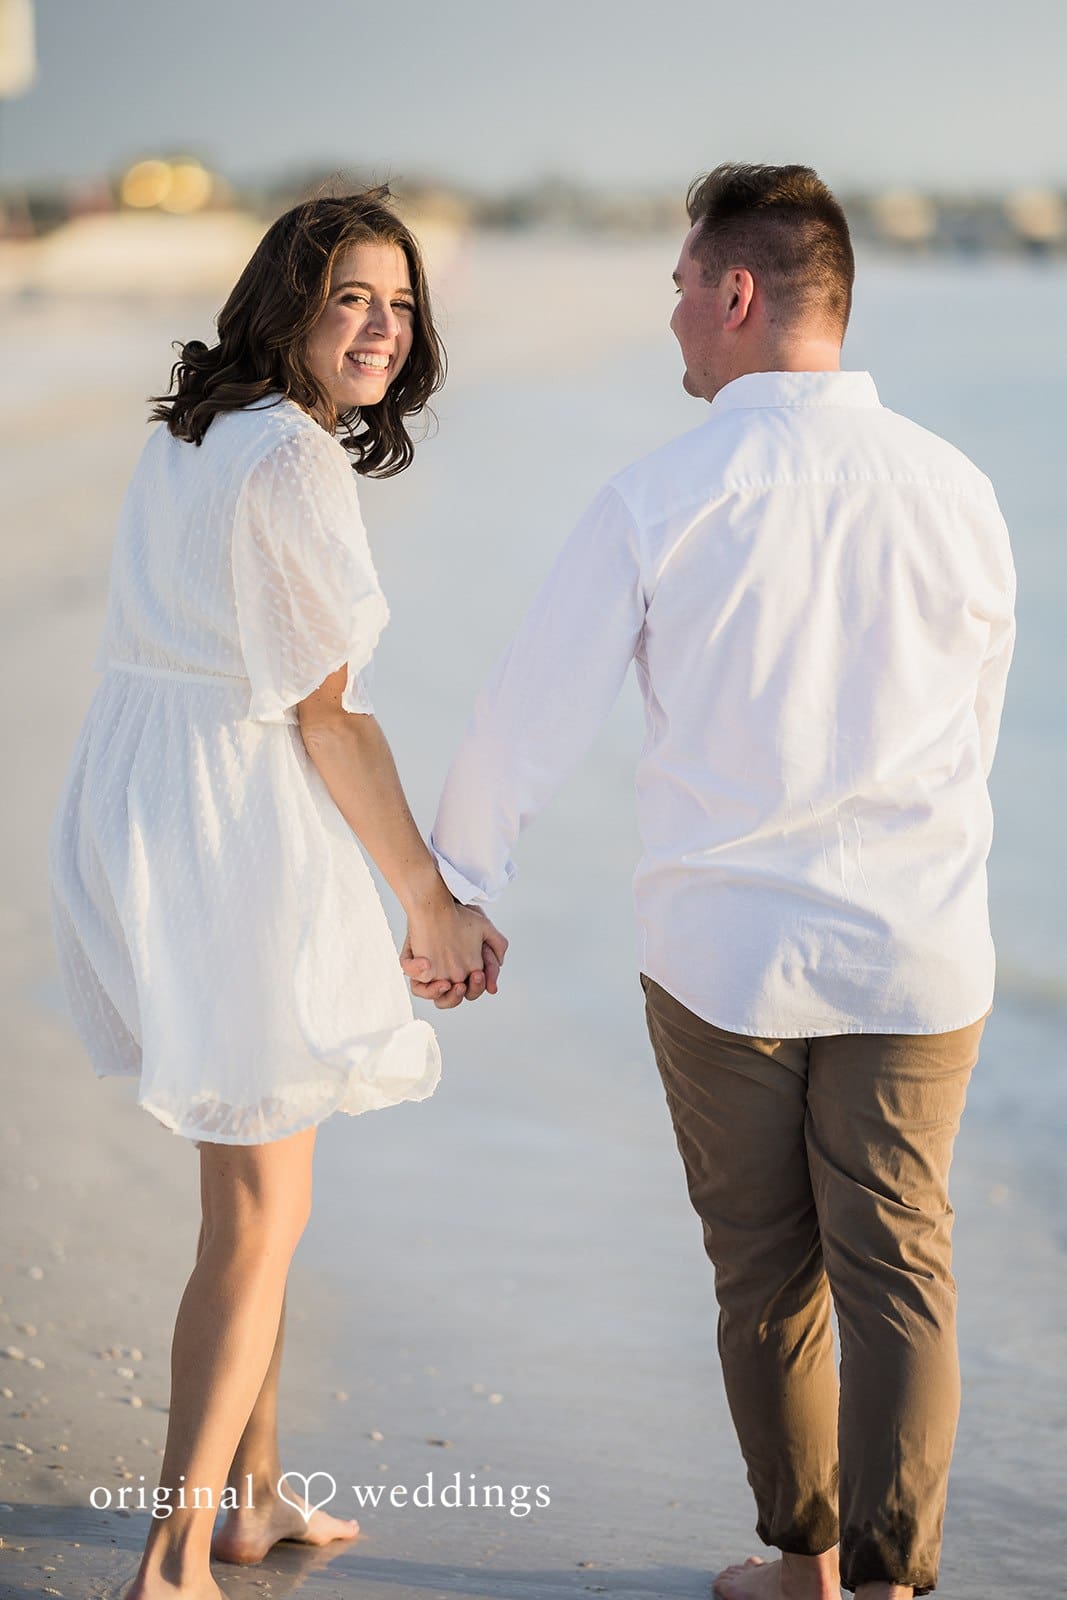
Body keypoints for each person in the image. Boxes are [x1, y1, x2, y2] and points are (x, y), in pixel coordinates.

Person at [411, 165, 1016, 1599]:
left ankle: (800, 1566)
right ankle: (890, 1583)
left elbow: (524, 715)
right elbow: (973, 729)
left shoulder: (662, 495)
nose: (674, 313)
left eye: (684, 284)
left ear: (738, 294)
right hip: (918, 955)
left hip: (721, 963)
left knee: (765, 1275)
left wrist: (456, 890)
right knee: (902, 1270)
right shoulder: (959, 487)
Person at [48, 187, 506, 1600]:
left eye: (400, 301)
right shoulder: (295, 466)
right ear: (290, 306)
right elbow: (329, 719)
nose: (380, 326)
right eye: (351, 297)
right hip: (230, 820)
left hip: (142, 793)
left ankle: (252, 1496)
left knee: (252, 1178)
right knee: (259, 1211)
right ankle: (175, 1558)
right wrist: (428, 896)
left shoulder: (194, 434)